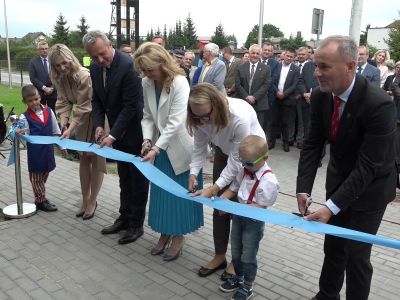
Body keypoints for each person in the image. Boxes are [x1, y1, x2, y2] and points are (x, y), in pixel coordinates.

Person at [296, 35, 397, 300]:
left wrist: (330, 207)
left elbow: (368, 166)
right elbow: (312, 144)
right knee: (333, 247)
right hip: (340, 182)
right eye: (316, 65)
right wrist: (303, 189)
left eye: (324, 67)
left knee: (356, 256)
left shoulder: (379, 104)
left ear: (350, 66)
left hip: (371, 191)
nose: (316, 73)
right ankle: (327, 295)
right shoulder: (320, 96)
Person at [186, 83, 265, 280]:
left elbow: (237, 162)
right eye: (197, 117)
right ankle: (219, 255)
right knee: (219, 208)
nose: (202, 121)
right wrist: (193, 172)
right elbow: (199, 147)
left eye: (206, 116)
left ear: (217, 105)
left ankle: (236, 260)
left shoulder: (239, 117)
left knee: (240, 210)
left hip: (250, 158)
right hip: (224, 152)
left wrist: (215, 187)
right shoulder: (198, 116)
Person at [134, 42, 204, 262]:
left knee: (179, 196)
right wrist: (147, 140)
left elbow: (175, 122)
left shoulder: (180, 82)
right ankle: (165, 233)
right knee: (163, 196)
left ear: (162, 63)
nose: (147, 74)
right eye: (143, 71)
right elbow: (147, 115)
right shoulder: (146, 82)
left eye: (150, 70)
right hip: (159, 149)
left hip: (180, 147)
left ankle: (178, 237)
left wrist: (155, 147)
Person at [82, 30, 149, 245]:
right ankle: (124, 217)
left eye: (102, 54)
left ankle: (136, 224)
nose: (100, 60)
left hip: (135, 134)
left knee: (138, 181)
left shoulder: (129, 66)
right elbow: (97, 101)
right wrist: (100, 125)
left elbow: (131, 107)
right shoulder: (94, 68)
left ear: (110, 45)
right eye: (94, 57)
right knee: (124, 179)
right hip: (117, 135)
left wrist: (111, 135)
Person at [48, 44, 106, 220]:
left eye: (65, 63)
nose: (62, 67)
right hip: (80, 122)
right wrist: (63, 124)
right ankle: (85, 198)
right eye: (57, 65)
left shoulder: (83, 76)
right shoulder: (60, 77)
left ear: (71, 59)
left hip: (96, 119)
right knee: (83, 158)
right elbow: (63, 102)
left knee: (95, 160)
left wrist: (70, 128)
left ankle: (93, 201)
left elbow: (83, 106)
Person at [218, 135, 279, 300]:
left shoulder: (269, 181)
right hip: (238, 218)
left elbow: (262, 207)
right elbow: (234, 188)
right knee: (236, 250)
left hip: (253, 222)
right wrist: (223, 200)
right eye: (242, 161)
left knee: (248, 255)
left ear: (265, 158)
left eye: (249, 163)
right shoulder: (244, 170)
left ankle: (248, 285)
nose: (245, 166)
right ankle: (238, 277)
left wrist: (237, 208)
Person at [17, 85, 60, 212]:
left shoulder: (49, 111)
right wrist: (19, 133)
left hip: (48, 150)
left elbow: (55, 129)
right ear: (25, 101)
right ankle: (41, 200)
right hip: (35, 153)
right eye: (30, 101)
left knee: (45, 172)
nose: (34, 102)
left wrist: (61, 145)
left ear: (40, 97)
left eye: (36, 99)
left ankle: (39, 196)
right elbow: (25, 136)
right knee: (36, 177)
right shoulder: (24, 117)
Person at [268, 48, 300, 152]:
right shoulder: (277, 66)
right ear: (284, 55)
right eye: (287, 56)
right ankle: (271, 141)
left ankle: (285, 142)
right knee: (274, 121)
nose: (289, 58)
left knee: (286, 122)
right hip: (275, 97)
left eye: (291, 57)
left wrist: (284, 94)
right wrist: (277, 92)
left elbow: (295, 85)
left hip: (287, 99)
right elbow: (271, 81)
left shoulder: (295, 69)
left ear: (294, 58)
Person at [235, 44, 271, 127]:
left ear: (260, 55)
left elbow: (266, 85)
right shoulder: (240, 67)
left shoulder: (266, 68)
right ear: (249, 53)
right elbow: (238, 84)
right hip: (243, 103)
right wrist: (247, 97)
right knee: (243, 128)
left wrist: (254, 97)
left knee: (257, 130)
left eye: (257, 53)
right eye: (253, 53)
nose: (255, 55)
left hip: (259, 104)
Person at [29, 41, 57, 112]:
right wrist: (44, 88)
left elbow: (58, 75)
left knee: (53, 113)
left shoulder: (54, 61)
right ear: (38, 50)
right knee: (39, 113)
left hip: (53, 93)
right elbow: (33, 78)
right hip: (40, 94)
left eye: (46, 48)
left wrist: (52, 88)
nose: (44, 50)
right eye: (42, 49)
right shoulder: (33, 62)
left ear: (49, 49)